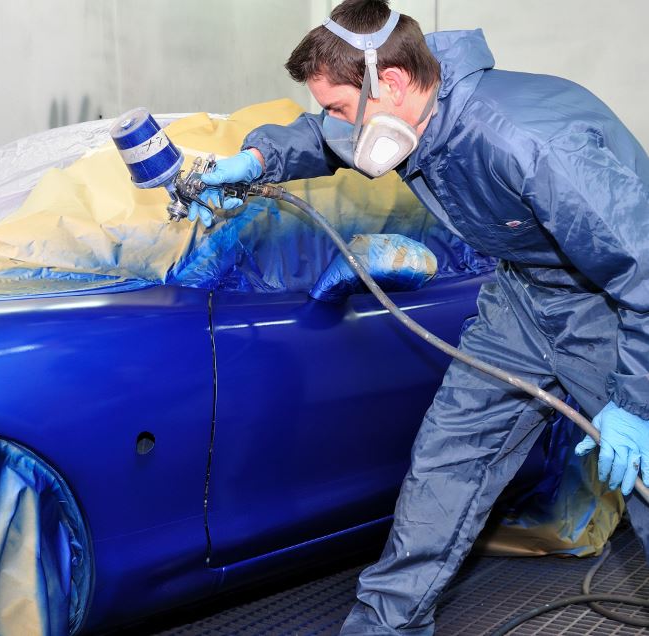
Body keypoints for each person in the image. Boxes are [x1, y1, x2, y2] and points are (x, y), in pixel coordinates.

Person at [191, 0, 649, 633]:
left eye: (339, 109)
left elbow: (643, 270)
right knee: (446, 468)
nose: (340, 128)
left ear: (393, 81)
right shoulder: (410, 117)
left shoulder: (530, 143)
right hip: (520, 304)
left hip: (612, 309)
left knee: (646, 477)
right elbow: (319, 138)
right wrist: (255, 162)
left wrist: (639, 402)